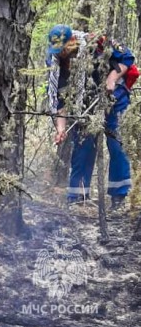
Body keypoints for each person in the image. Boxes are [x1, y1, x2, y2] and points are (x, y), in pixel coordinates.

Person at [47, 24, 135, 209]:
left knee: (117, 146)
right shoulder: (54, 62)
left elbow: (127, 57)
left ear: (72, 41)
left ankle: (118, 197)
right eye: (58, 50)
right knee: (83, 148)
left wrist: (111, 78)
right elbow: (59, 98)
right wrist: (61, 128)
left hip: (114, 99)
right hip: (84, 105)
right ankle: (78, 198)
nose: (62, 54)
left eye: (64, 49)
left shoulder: (97, 41)